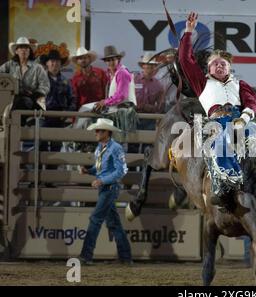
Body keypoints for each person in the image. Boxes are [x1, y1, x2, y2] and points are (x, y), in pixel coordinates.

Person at [179, 12, 256, 205]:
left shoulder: (240, 84)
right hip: (216, 121)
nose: (219, 66)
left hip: (241, 118)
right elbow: (185, 60)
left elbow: (251, 102)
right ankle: (226, 184)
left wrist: (243, 119)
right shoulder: (201, 82)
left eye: (223, 64)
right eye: (215, 64)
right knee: (220, 140)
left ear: (229, 68)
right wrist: (188, 32)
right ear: (209, 69)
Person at [79, 118, 132, 265]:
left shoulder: (115, 148)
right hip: (105, 189)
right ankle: (126, 257)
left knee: (95, 219)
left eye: (99, 130)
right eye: (96, 130)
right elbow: (100, 168)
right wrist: (89, 171)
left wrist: (101, 180)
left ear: (107, 132)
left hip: (109, 188)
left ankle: (86, 255)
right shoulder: (100, 148)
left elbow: (120, 171)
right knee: (114, 224)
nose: (96, 132)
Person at [39, 49, 76, 153]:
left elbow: (72, 99)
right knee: (42, 145)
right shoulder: (40, 80)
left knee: (56, 146)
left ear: (61, 64)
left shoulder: (66, 81)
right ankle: (41, 169)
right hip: (43, 116)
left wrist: (67, 113)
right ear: (47, 63)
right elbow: (35, 97)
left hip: (59, 117)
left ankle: (52, 167)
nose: (55, 64)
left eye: (57, 62)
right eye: (52, 61)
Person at [0, 37, 49, 113]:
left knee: (24, 102)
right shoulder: (9, 65)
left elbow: (45, 85)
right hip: (11, 98)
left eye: (26, 48)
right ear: (16, 51)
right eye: (21, 48)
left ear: (30, 51)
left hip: (32, 100)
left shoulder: (37, 67)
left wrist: (36, 94)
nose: (24, 50)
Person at [94, 45, 136, 113]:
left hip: (124, 112)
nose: (110, 62)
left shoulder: (122, 73)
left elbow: (121, 95)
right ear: (105, 62)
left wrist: (105, 102)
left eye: (113, 59)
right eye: (108, 60)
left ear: (118, 59)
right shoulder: (111, 74)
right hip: (117, 110)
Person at [135, 51, 165, 130]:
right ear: (143, 66)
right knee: (133, 142)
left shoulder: (158, 85)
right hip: (134, 117)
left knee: (148, 141)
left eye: (152, 66)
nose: (150, 68)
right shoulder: (133, 80)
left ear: (155, 67)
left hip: (150, 119)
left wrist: (151, 108)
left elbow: (160, 106)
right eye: (148, 65)